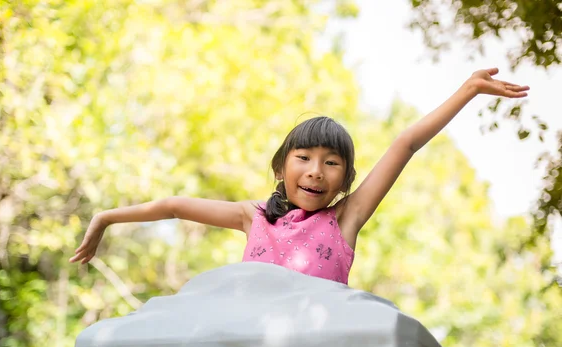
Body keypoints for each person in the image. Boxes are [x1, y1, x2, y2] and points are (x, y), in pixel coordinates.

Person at [70, 68, 529, 284]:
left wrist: (468, 90)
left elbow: (405, 143)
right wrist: (106, 218)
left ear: (346, 180)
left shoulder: (345, 219)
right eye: (303, 158)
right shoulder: (252, 217)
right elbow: (171, 206)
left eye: (331, 163)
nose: (315, 171)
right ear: (280, 167)